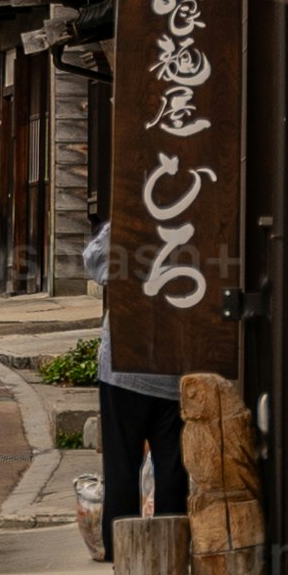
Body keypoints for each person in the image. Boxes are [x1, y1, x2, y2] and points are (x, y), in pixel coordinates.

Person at [83, 222, 189, 553]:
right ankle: (171, 547)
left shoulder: (132, 214)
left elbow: (95, 261)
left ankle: (122, 550)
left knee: (122, 464)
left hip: (124, 363)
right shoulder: (197, 215)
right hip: (175, 361)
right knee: (172, 464)